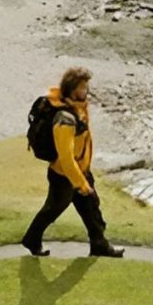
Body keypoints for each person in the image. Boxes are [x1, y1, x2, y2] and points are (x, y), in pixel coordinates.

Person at [22, 68, 124, 258]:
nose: (86, 90)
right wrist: (80, 184)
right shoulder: (65, 119)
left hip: (80, 170)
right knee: (52, 210)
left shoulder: (77, 108)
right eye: (82, 86)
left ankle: (100, 245)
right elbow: (65, 157)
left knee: (92, 211)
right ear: (72, 89)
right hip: (64, 175)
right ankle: (31, 239)